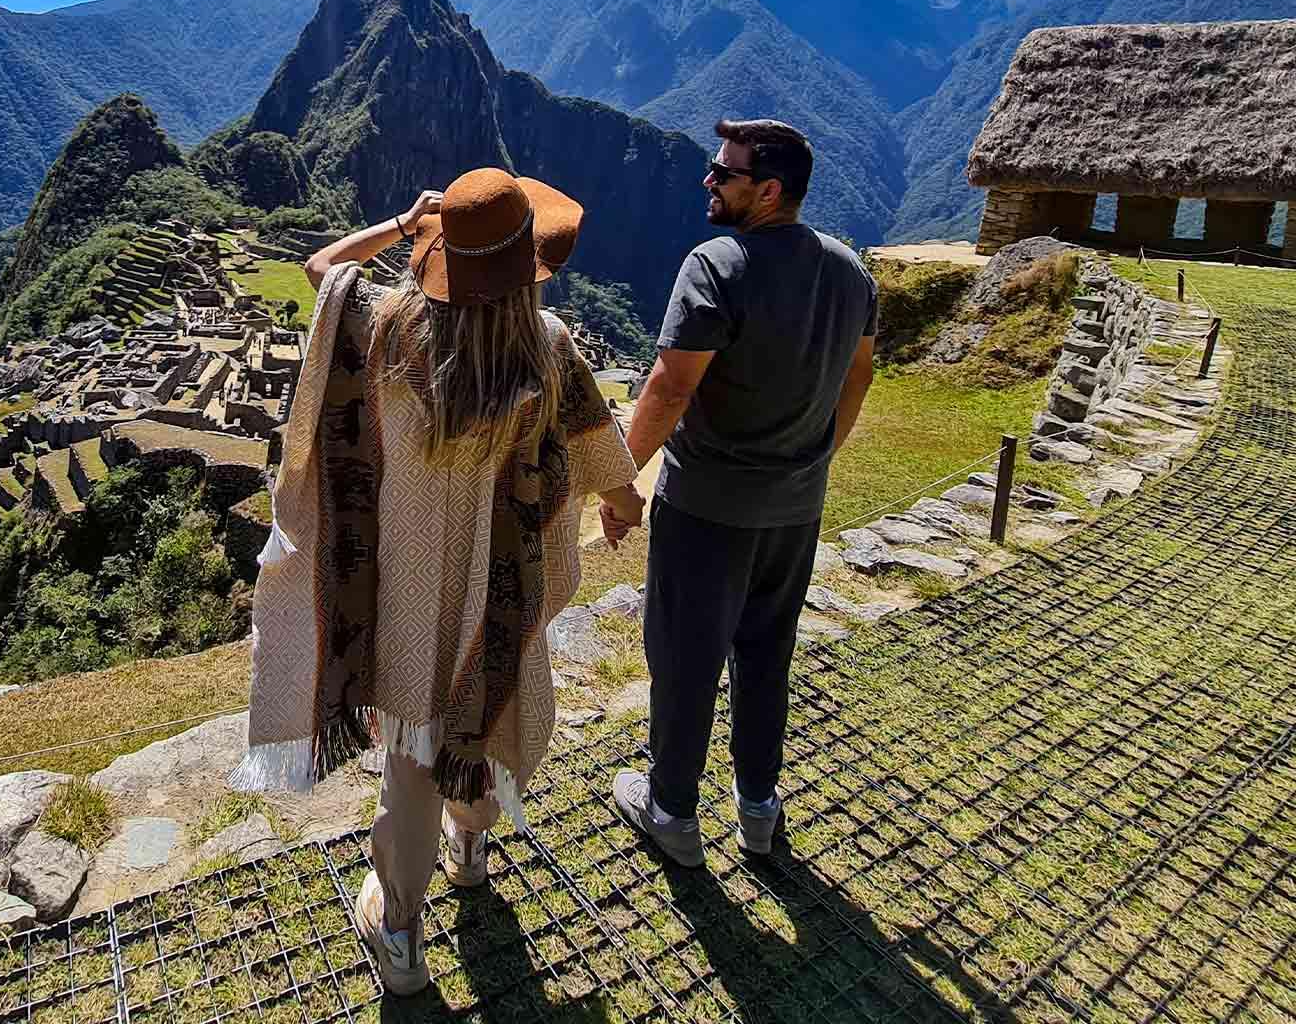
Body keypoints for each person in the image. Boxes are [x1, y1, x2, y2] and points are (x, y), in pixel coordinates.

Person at [232, 169, 640, 995]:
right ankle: (473, 847)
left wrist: (401, 220)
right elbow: (606, 459)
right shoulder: (550, 347)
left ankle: (402, 934)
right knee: (481, 721)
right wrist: (621, 509)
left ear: (440, 253)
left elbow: (322, 269)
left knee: (409, 765)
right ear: (527, 264)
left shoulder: (388, 331)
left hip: (406, 595)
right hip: (498, 592)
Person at [605, 118, 876, 866]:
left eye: (723, 173)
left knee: (685, 661)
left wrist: (615, 476)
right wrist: (820, 451)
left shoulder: (717, 264)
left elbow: (668, 387)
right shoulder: (850, 270)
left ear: (768, 190)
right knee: (765, 656)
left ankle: (673, 812)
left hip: (708, 509)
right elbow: (859, 371)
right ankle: (758, 809)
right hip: (796, 509)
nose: (708, 181)